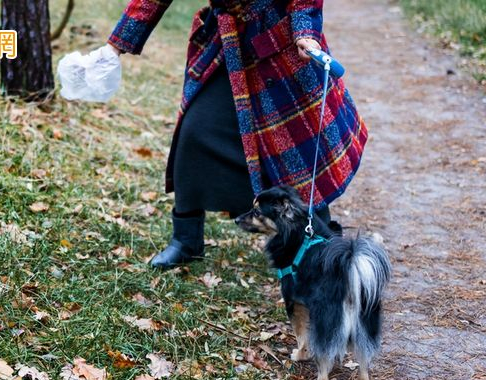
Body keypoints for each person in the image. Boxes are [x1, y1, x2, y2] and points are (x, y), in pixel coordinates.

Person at [107, 0, 367, 269]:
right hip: (226, 44)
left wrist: (305, 32)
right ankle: (186, 240)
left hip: (282, 46)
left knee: (296, 158)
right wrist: (115, 46)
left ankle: (322, 248)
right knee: (194, 132)